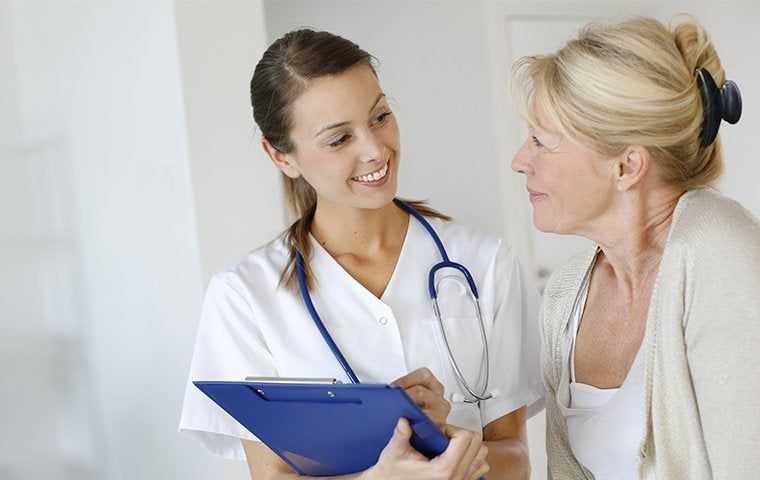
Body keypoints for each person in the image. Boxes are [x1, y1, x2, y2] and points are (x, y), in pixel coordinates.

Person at [180, 29, 542, 479]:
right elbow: (272, 476)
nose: (375, 150)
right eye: (338, 140)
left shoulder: (482, 263)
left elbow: (517, 462)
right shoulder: (245, 295)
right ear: (280, 156)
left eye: (380, 117)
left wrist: (443, 436)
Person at [511, 16, 760, 479]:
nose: (519, 161)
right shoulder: (566, 296)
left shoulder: (724, 258)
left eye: (540, 142)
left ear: (626, 167)